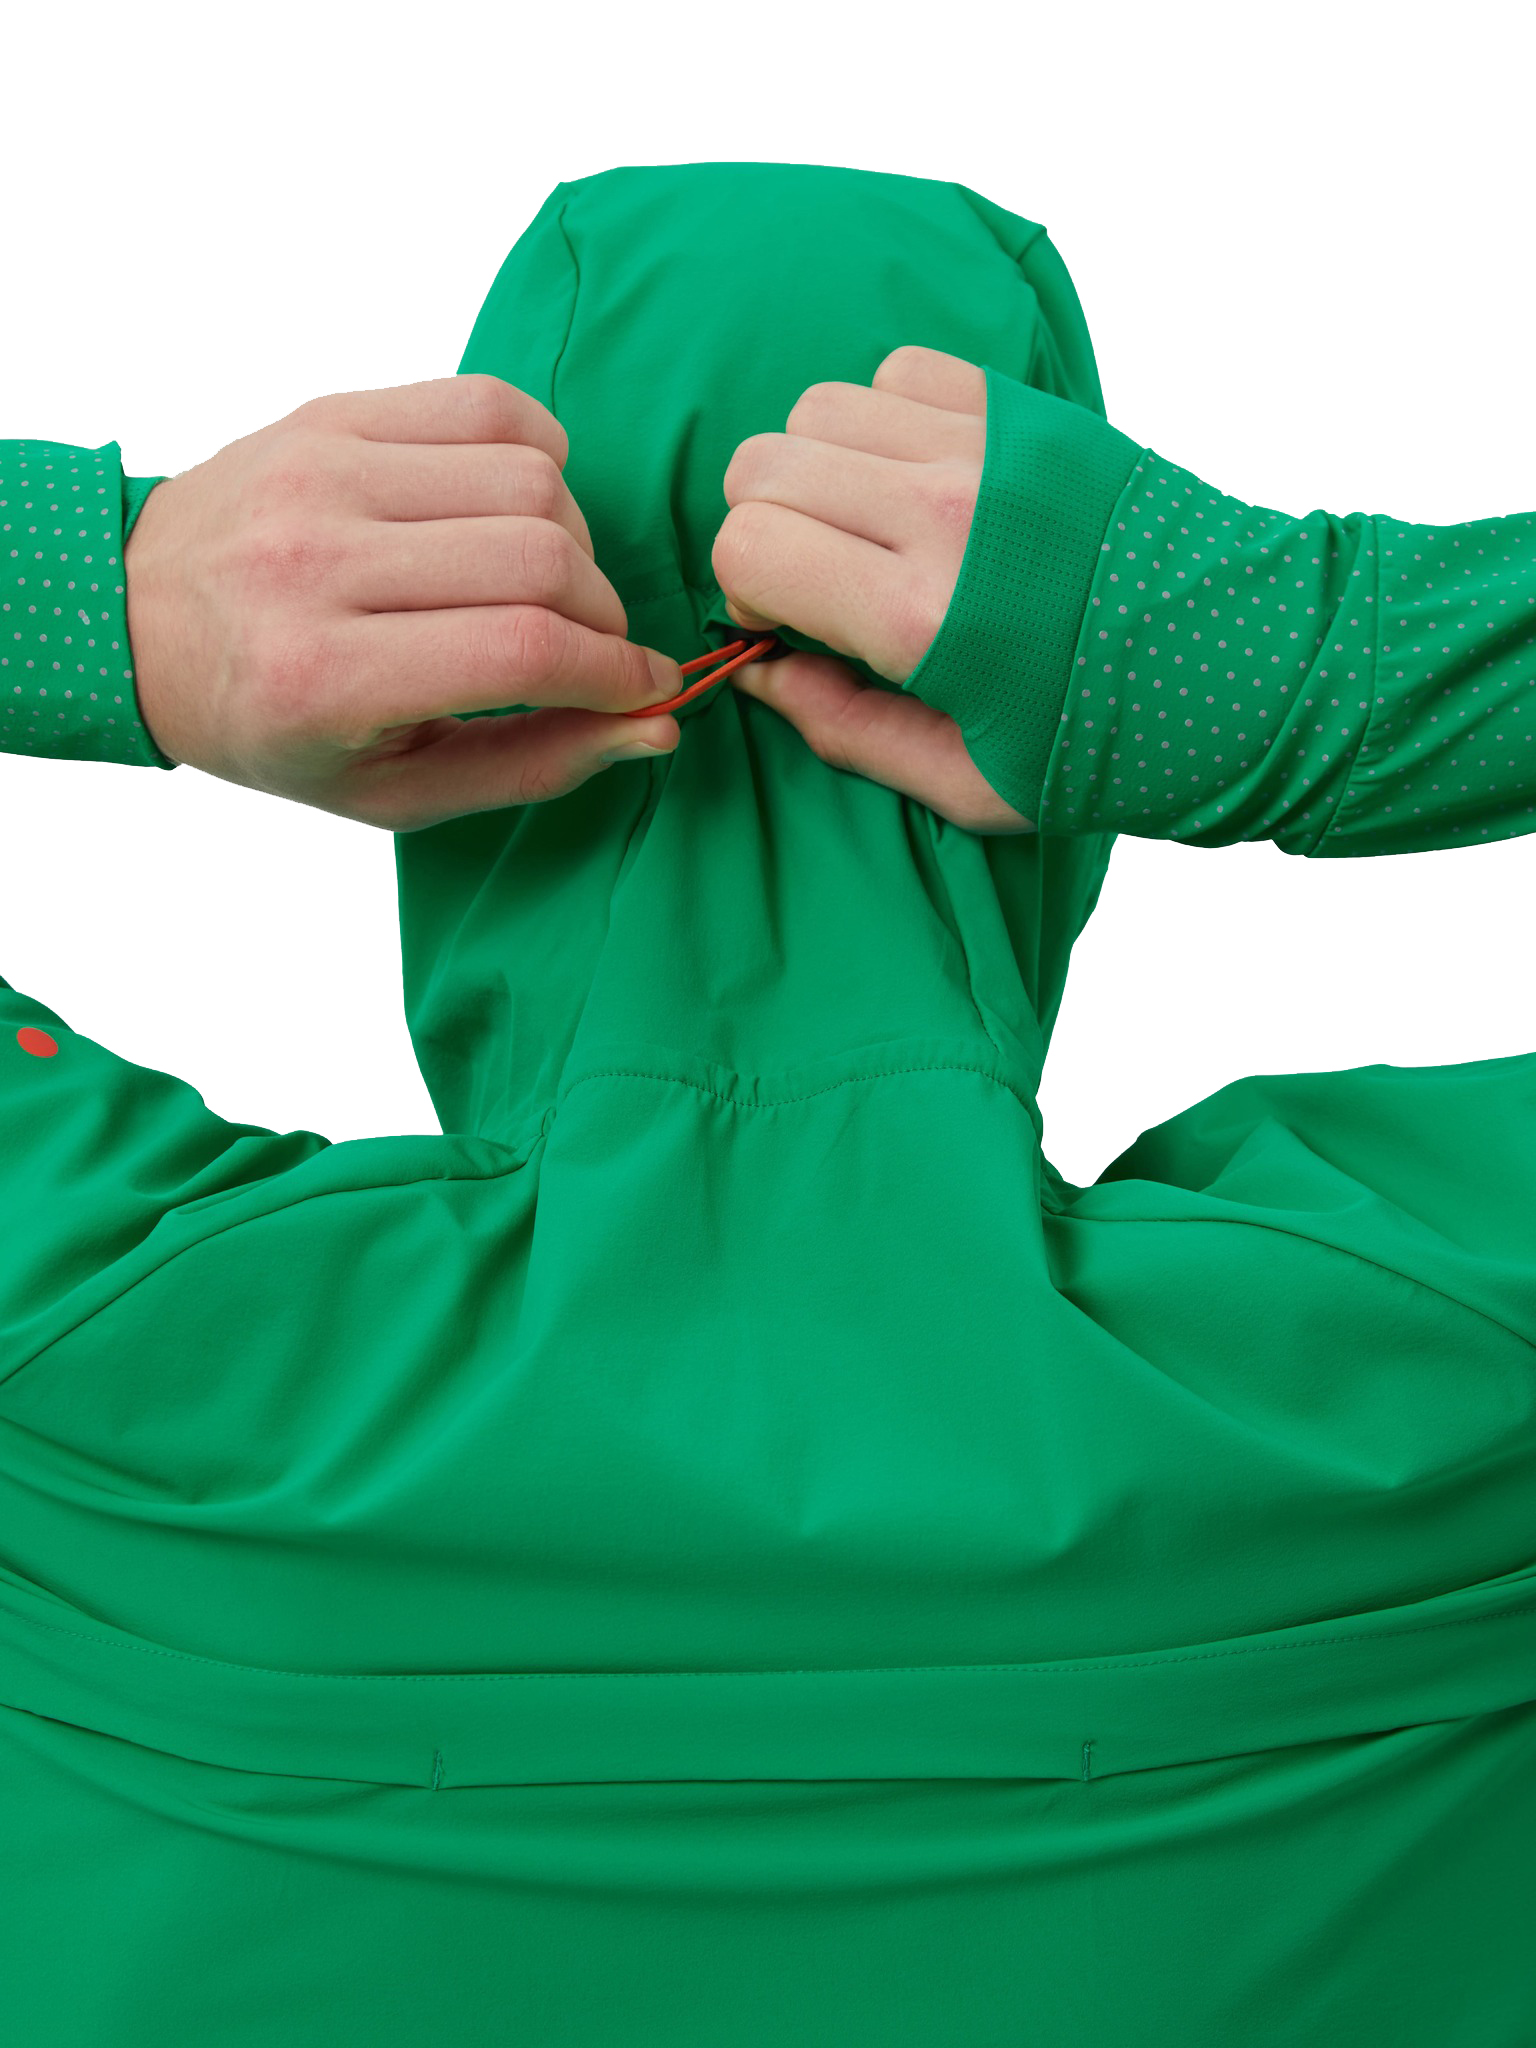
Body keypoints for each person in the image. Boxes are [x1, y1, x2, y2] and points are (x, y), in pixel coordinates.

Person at [1, 161, 1532, 2047]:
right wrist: (1317, 666)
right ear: (1075, 781)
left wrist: (114, 597)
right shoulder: (1433, 1358)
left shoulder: (105, 1355)